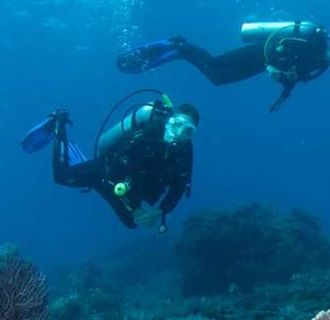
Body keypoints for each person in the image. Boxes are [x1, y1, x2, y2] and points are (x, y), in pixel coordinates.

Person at [20, 94, 199, 232]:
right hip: (106, 170)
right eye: (177, 124)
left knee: (132, 224)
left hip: (129, 184)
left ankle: (79, 160)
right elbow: (112, 173)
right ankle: (58, 122)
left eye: (188, 131)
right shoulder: (146, 136)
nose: (179, 133)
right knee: (61, 176)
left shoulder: (184, 153)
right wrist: (135, 209)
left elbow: (179, 187)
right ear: (169, 122)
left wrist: (158, 212)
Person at [117, 21, 330, 112]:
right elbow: (279, 43)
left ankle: (181, 52)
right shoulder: (315, 41)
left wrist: (281, 98)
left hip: (261, 65)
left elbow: (293, 77)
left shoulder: (320, 65)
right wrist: (275, 66)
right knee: (215, 63)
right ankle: (180, 46)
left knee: (217, 79)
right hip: (259, 51)